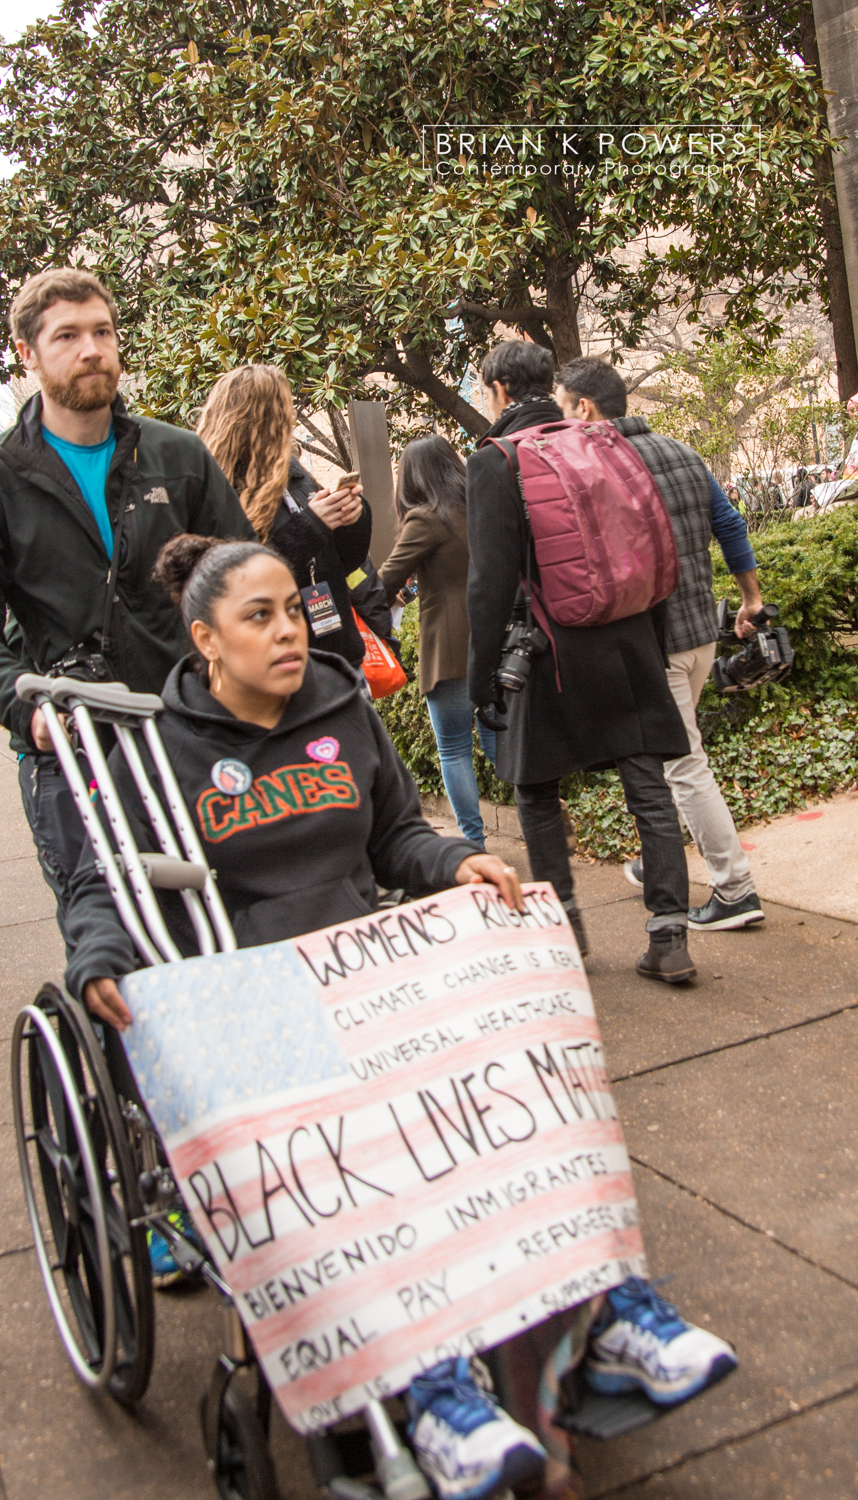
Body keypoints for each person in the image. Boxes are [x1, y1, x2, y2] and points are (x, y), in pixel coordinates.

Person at [64, 534, 736, 1499]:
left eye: (294, 609)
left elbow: (397, 838)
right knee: (368, 1179)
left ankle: (611, 1307)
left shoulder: (341, 707)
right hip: (257, 1011)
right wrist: (98, 956)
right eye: (261, 618)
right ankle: (432, 1394)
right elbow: (103, 883)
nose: (290, 631)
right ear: (205, 640)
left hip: (367, 976)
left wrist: (457, 860)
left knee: (515, 1086)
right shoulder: (160, 754)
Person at [0, 266, 252, 934]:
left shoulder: (178, 456)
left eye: (102, 331)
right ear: (28, 353)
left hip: (194, 732)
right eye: (68, 336)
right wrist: (31, 712)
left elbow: (245, 580)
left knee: (234, 922)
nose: (91, 350)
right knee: (116, 942)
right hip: (75, 751)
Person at [465, 341, 696, 983]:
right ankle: (669, 935)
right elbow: (649, 540)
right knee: (646, 780)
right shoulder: (605, 440)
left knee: (536, 788)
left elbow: (488, 583)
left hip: (548, 646)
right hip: (626, 635)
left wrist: (481, 676)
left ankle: (566, 931)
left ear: (501, 391)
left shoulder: (495, 461)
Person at [554, 358, 765, 932]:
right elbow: (731, 524)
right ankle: (658, 859)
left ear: (585, 409)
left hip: (658, 643)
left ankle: (735, 889)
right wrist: (751, 601)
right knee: (677, 753)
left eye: (561, 404)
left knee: (684, 765)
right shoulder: (682, 451)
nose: (558, 415)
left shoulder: (598, 465)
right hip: (703, 636)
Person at [195, 365, 373, 674]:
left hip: (339, 655)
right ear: (260, 417)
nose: (291, 416)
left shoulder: (293, 472)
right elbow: (238, 578)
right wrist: (312, 525)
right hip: (277, 664)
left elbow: (344, 561)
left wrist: (351, 517)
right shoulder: (215, 488)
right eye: (284, 406)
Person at [378, 435, 496, 848]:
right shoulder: (481, 507)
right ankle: (541, 811)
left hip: (448, 649)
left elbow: (385, 580)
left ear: (413, 476)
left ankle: (473, 842)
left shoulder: (426, 519)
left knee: (454, 750)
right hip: (493, 639)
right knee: (499, 737)